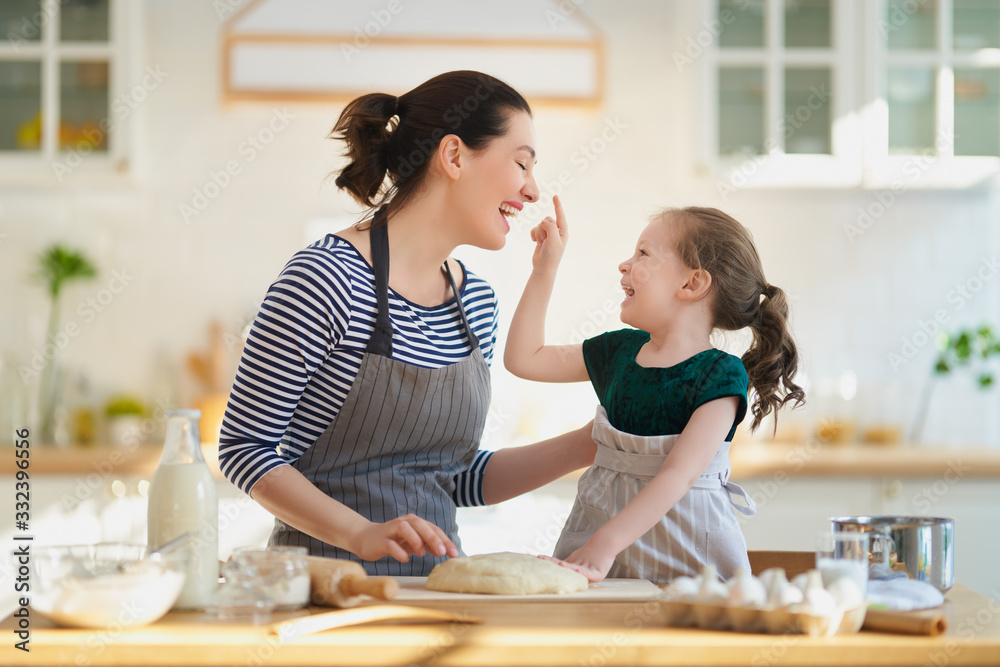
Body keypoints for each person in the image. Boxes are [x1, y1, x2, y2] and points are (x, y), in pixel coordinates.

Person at [218, 71, 596, 576]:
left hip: (439, 594)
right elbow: (245, 450)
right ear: (455, 156)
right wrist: (359, 532)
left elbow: (455, 479)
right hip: (327, 594)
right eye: (522, 163)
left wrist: (590, 441)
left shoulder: (476, 303)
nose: (532, 191)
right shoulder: (326, 279)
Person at [504, 198, 805, 583]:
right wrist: (545, 269)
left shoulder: (720, 376)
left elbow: (677, 476)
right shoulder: (618, 352)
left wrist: (606, 543)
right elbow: (524, 359)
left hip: (689, 565)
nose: (624, 265)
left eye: (643, 253)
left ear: (692, 283)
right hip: (602, 558)